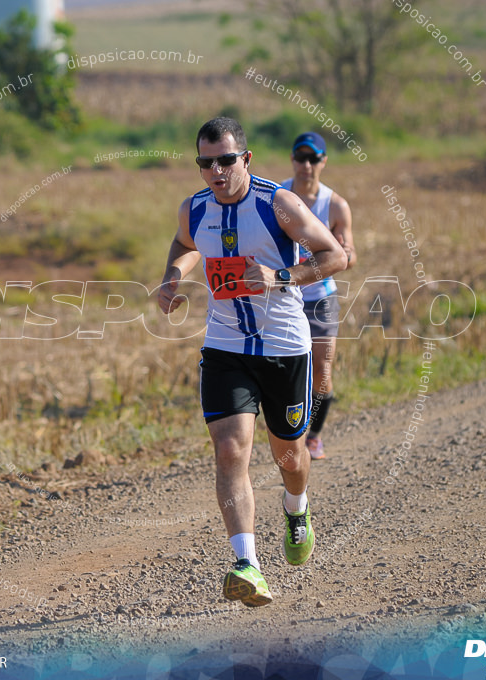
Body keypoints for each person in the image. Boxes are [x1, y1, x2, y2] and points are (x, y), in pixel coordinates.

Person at [157, 117, 347, 607]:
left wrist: (279, 274)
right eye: (205, 162)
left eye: (225, 160)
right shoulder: (195, 208)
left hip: (284, 347)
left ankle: (297, 509)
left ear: (245, 159)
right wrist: (172, 277)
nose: (215, 171)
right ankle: (247, 564)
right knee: (229, 450)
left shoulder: (277, 204)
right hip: (225, 346)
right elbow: (184, 244)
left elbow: (335, 256)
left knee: (289, 458)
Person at [282, 132, 356, 460]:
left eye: (314, 159)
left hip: (321, 298)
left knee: (322, 371)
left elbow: (348, 255)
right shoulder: (278, 197)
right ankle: (287, 434)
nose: (306, 165)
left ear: (324, 161)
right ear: (292, 160)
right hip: (285, 295)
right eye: (301, 158)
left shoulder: (336, 205)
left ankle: (313, 436)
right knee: (285, 370)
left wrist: (346, 253)